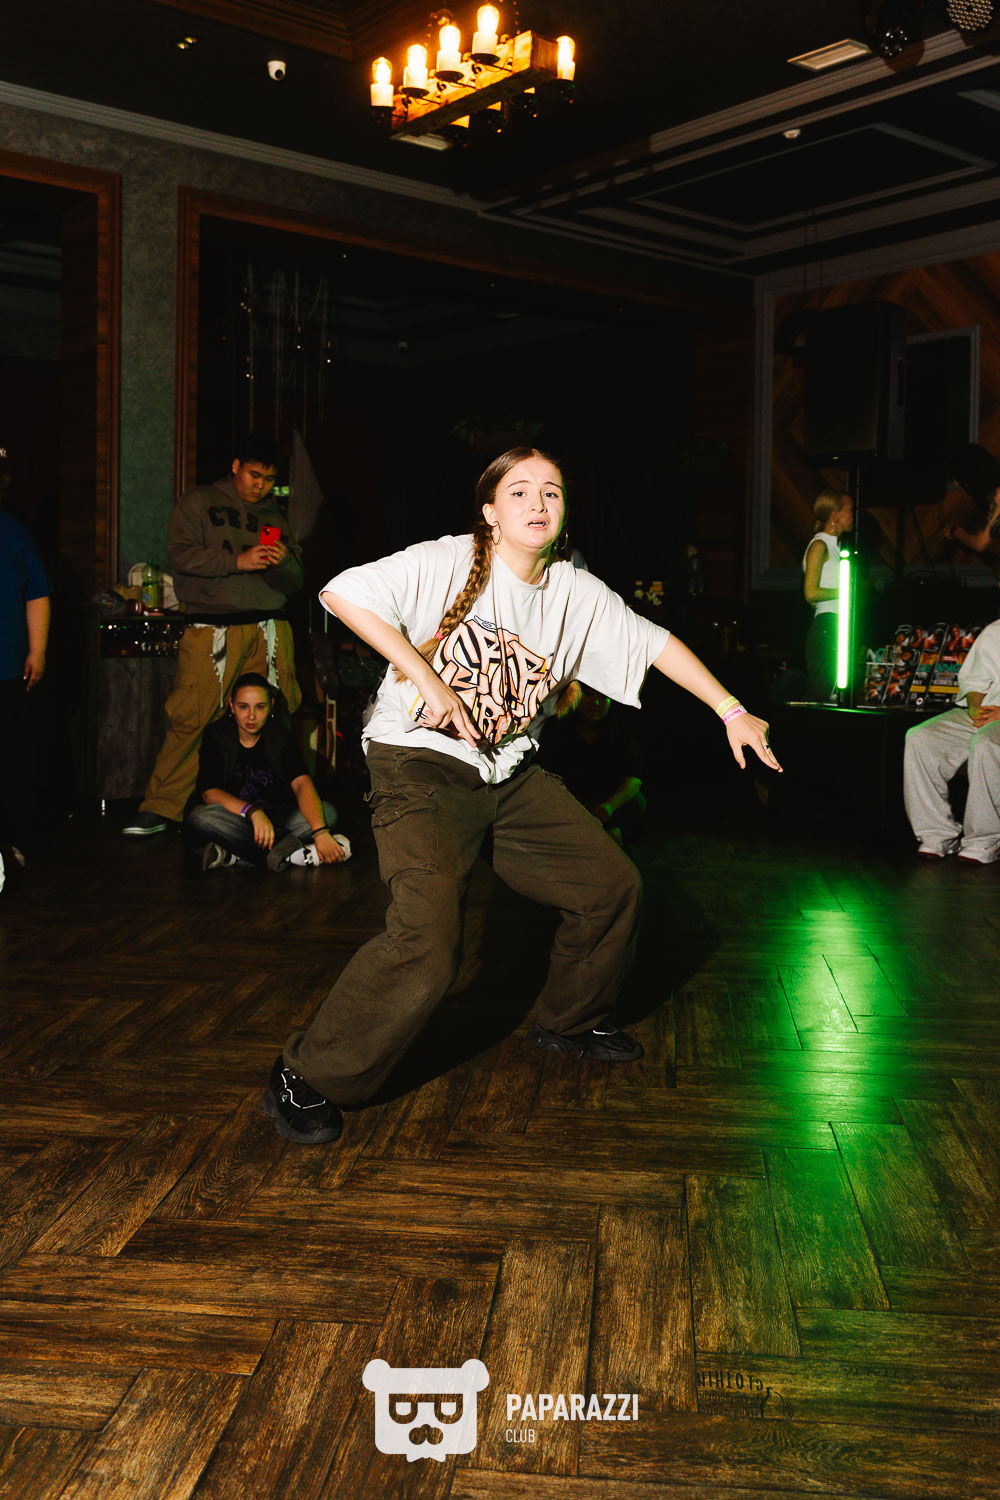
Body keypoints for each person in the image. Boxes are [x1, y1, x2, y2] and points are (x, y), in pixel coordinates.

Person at [261, 447, 780, 1146]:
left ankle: (571, 1019)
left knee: (610, 886)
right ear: (491, 513)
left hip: (506, 772)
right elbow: (340, 593)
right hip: (419, 766)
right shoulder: (448, 561)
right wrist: (428, 678)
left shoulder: (574, 591)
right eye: (520, 492)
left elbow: (657, 644)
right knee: (428, 945)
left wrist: (731, 710)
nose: (538, 503)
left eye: (552, 492)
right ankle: (308, 1075)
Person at [123, 437, 303, 838]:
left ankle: (271, 807)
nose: (260, 486)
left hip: (269, 628)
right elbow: (180, 554)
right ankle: (162, 806)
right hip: (213, 627)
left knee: (270, 718)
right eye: (254, 475)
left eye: (269, 479)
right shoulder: (200, 501)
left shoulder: (274, 514)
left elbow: (296, 581)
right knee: (192, 716)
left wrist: (283, 562)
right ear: (236, 466)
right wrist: (237, 560)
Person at [182, 673, 348, 870]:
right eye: (243, 707)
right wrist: (252, 812)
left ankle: (234, 855)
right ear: (232, 706)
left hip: (276, 820)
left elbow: (301, 783)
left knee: (327, 813)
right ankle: (291, 854)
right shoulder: (216, 735)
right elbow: (209, 792)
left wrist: (320, 832)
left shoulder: (280, 735)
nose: (251, 716)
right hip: (235, 819)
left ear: (271, 705)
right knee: (201, 818)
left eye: (260, 707)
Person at [903, 618, 1000, 864]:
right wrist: (975, 707)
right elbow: (975, 680)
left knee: (985, 742)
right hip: (988, 712)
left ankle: (985, 840)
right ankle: (937, 833)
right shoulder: (995, 631)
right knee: (921, 737)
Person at [0, 500, 50, 885]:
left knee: (10, 761)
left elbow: (37, 593)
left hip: (8, 668)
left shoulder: (12, 529)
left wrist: (38, 650)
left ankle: (7, 844)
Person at [537, 684, 645, 845]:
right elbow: (542, 774)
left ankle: (613, 838)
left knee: (637, 801)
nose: (596, 703)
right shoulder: (556, 727)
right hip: (566, 804)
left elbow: (634, 779)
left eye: (604, 697)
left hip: (604, 807)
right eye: (589, 694)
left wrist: (608, 807)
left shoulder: (619, 731)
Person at [802, 489, 854, 702]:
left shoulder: (837, 548)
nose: (852, 516)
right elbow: (810, 593)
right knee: (820, 695)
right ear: (835, 514)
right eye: (849, 510)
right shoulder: (819, 546)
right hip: (827, 627)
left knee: (833, 696)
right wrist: (848, 591)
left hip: (837, 626)